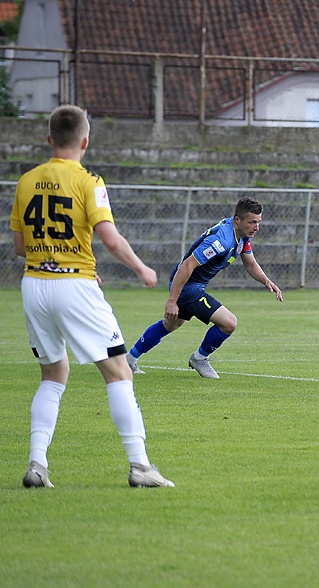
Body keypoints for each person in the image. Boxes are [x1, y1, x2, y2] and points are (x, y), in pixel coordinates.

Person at [10, 104, 173, 488]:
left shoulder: (27, 180)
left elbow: (20, 245)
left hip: (34, 283)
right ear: (85, 140)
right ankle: (140, 466)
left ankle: (37, 465)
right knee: (118, 372)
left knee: (53, 373)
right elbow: (110, 237)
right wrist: (141, 268)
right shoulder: (89, 181)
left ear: (50, 139)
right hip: (75, 285)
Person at [126, 196, 283, 379]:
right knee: (229, 323)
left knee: (170, 324)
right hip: (188, 286)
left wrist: (266, 281)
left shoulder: (241, 236)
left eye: (258, 222)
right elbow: (187, 265)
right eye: (252, 222)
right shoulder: (221, 241)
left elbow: (250, 264)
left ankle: (129, 359)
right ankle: (200, 358)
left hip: (192, 285)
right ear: (237, 220)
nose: (256, 227)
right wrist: (172, 301)